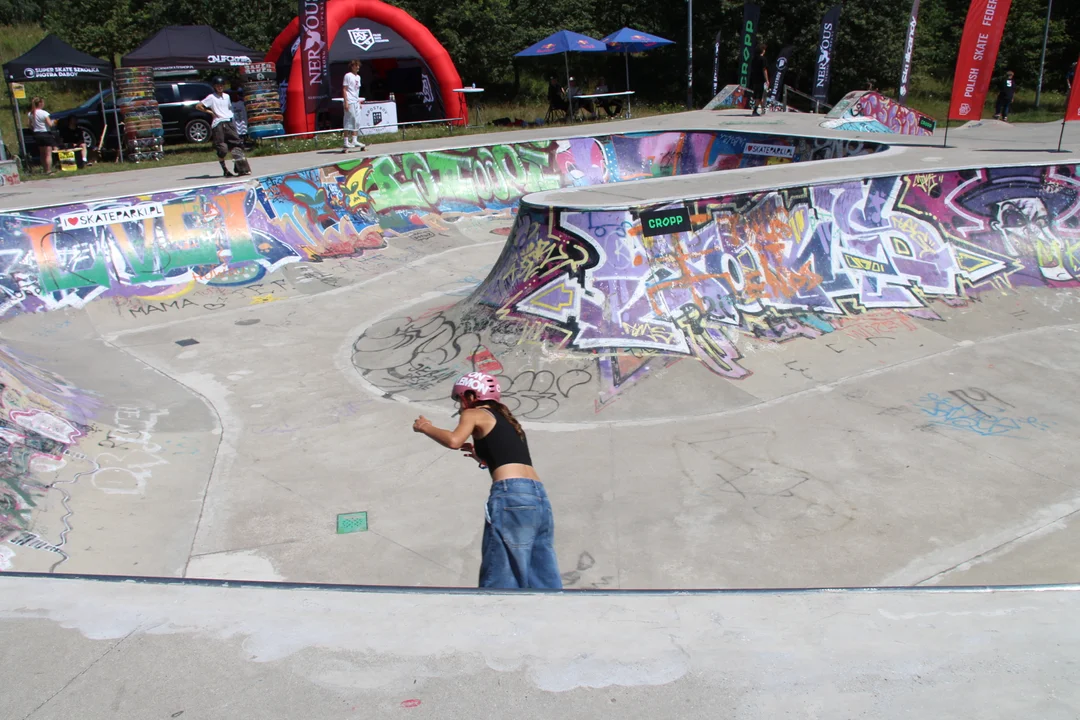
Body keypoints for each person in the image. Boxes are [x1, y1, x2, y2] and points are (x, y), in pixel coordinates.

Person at [412, 372, 562, 589]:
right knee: (541, 571)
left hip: (511, 495)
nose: (459, 406)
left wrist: (425, 427)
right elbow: (510, 455)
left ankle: (496, 617)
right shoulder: (508, 420)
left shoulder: (474, 413)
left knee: (503, 573)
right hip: (538, 496)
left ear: (471, 396)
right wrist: (481, 456)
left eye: (459, 399)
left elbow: (454, 440)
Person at [195, 76, 250, 178]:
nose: (219, 87)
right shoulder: (211, 97)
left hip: (229, 122)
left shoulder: (227, 96)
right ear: (214, 87)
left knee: (237, 144)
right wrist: (210, 112)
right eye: (217, 86)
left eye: (221, 85)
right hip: (218, 124)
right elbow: (198, 106)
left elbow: (229, 108)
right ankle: (225, 170)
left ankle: (240, 167)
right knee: (222, 149)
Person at [342, 59, 367, 152]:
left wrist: (358, 101)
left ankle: (354, 140)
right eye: (356, 66)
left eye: (358, 66)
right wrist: (346, 102)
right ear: (352, 66)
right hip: (350, 101)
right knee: (348, 120)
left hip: (356, 101)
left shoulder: (358, 77)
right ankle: (346, 141)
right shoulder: (348, 76)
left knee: (357, 120)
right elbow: (344, 89)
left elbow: (357, 90)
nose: (358, 67)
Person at [28, 97, 56, 174]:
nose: (43, 104)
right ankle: (49, 170)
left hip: (37, 134)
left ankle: (44, 169)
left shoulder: (31, 113)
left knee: (42, 154)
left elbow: (30, 126)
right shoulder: (44, 113)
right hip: (45, 133)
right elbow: (50, 124)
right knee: (48, 154)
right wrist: (55, 122)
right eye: (43, 102)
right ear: (40, 103)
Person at [750, 43, 770, 116]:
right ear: (762, 50)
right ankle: (755, 110)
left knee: (757, 94)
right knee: (760, 95)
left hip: (755, 78)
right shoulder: (763, 59)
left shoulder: (754, 58)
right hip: (761, 79)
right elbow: (764, 69)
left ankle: (763, 109)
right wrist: (767, 80)